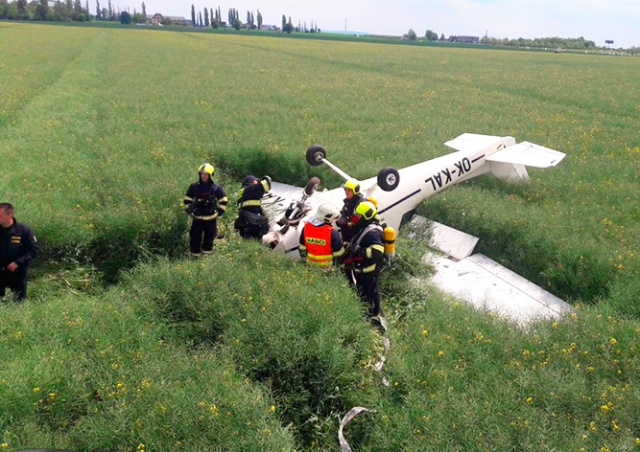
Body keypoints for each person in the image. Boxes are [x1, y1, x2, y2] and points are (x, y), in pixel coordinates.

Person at [345, 200, 385, 319]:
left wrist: (359, 251)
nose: (356, 218)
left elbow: (378, 251)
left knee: (370, 292)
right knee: (363, 291)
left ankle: (372, 314)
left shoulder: (372, 232)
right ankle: (366, 312)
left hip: (369, 270)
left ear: (366, 216)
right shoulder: (366, 227)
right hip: (362, 269)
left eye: (359, 216)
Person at [183, 163, 228, 257]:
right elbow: (187, 199)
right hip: (197, 218)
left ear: (210, 175)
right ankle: (195, 256)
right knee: (195, 238)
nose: (204, 176)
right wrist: (190, 210)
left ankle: (207, 257)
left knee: (209, 238)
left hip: (211, 219)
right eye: (202, 173)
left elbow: (224, 200)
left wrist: (219, 212)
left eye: (206, 174)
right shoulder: (194, 186)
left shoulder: (216, 188)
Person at [0, 203, 39, 301]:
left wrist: (18, 262)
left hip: (17, 272)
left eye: (0, 215)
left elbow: (34, 251)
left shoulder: (23, 230)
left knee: (19, 301)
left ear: (10, 215)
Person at [299, 204, 345, 268]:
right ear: (328, 218)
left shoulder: (306, 228)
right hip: (328, 269)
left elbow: (302, 249)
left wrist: (305, 262)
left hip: (311, 268)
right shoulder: (332, 233)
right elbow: (338, 254)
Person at [234, 175, 271, 239]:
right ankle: (262, 239)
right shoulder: (250, 189)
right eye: (255, 180)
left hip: (244, 215)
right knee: (264, 221)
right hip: (248, 216)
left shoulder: (243, 190)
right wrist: (263, 179)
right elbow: (266, 183)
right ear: (250, 182)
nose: (257, 181)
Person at [336, 178, 364, 244]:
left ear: (355, 191)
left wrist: (347, 221)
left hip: (356, 237)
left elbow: (360, 221)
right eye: (345, 189)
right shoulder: (348, 202)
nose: (346, 192)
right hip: (346, 235)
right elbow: (344, 212)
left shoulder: (360, 204)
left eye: (349, 190)